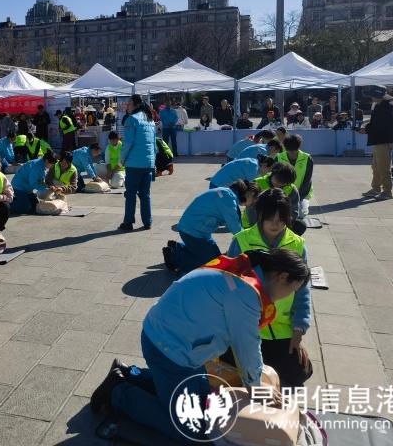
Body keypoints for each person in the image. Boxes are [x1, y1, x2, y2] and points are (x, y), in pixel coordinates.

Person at [91, 248, 309, 442]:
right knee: (191, 429)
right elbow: (247, 347)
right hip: (167, 347)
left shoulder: (247, 271)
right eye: (293, 289)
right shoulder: (247, 293)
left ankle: (129, 372)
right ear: (282, 277)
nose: (289, 296)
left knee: (202, 400)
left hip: (178, 341)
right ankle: (118, 392)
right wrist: (257, 390)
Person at [226, 189, 313, 388]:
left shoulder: (298, 244)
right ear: (259, 215)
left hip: (281, 328)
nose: (276, 224)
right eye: (270, 218)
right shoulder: (241, 241)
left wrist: (299, 330)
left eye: (281, 219)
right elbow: (228, 287)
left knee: (298, 373)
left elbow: (303, 290)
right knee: (240, 377)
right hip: (248, 326)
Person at [163, 180, 260, 274]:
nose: (252, 205)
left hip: (197, 231)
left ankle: (178, 247)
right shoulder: (228, 201)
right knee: (212, 266)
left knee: (217, 259)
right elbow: (237, 230)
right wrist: (251, 245)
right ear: (250, 194)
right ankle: (174, 256)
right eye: (254, 200)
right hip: (192, 232)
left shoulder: (227, 194)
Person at [118, 95, 157, 232]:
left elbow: (128, 143)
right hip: (148, 163)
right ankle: (148, 222)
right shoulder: (150, 120)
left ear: (135, 105)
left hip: (134, 164)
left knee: (130, 194)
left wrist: (121, 160)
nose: (126, 106)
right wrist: (153, 162)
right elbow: (154, 144)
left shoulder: (132, 120)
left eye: (128, 104)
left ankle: (128, 222)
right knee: (145, 195)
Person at [361, 85, 393, 200]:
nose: (371, 98)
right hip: (380, 139)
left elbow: (382, 124)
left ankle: (387, 191)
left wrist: (366, 129)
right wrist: (367, 127)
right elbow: (377, 122)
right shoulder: (383, 103)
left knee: (383, 166)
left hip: (384, 140)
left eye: (373, 96)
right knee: (376, 166)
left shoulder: (386, 105)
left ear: (378, 95)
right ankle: (376, 188)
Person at [251, 162, 306, 235]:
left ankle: (282, 241)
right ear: (272, 173)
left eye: (284, 182)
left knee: (300, 225)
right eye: (277, 179)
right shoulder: (257, 183)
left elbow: (294, 210)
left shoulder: (292, 189)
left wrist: (285, 221)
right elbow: (251, 207)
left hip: (280, 221)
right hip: (259, 219)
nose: (279, 183)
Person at [278, 134, 314, 218]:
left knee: (301, 213)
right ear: (286, 149)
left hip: (302, 194)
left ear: (298, 147)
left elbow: (307, 180)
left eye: (294, 151)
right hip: (284, 194)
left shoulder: (307, 158)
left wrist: (298, 198)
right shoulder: (279, 157)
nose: (292, 154)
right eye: (290, 151)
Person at [210, 155, 274, 189]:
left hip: (217, 182)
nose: (267, 173)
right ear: (265, 165)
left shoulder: (254, 162)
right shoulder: (254, 169)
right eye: (269, 170)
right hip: (219, 185)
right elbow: (250, 189)